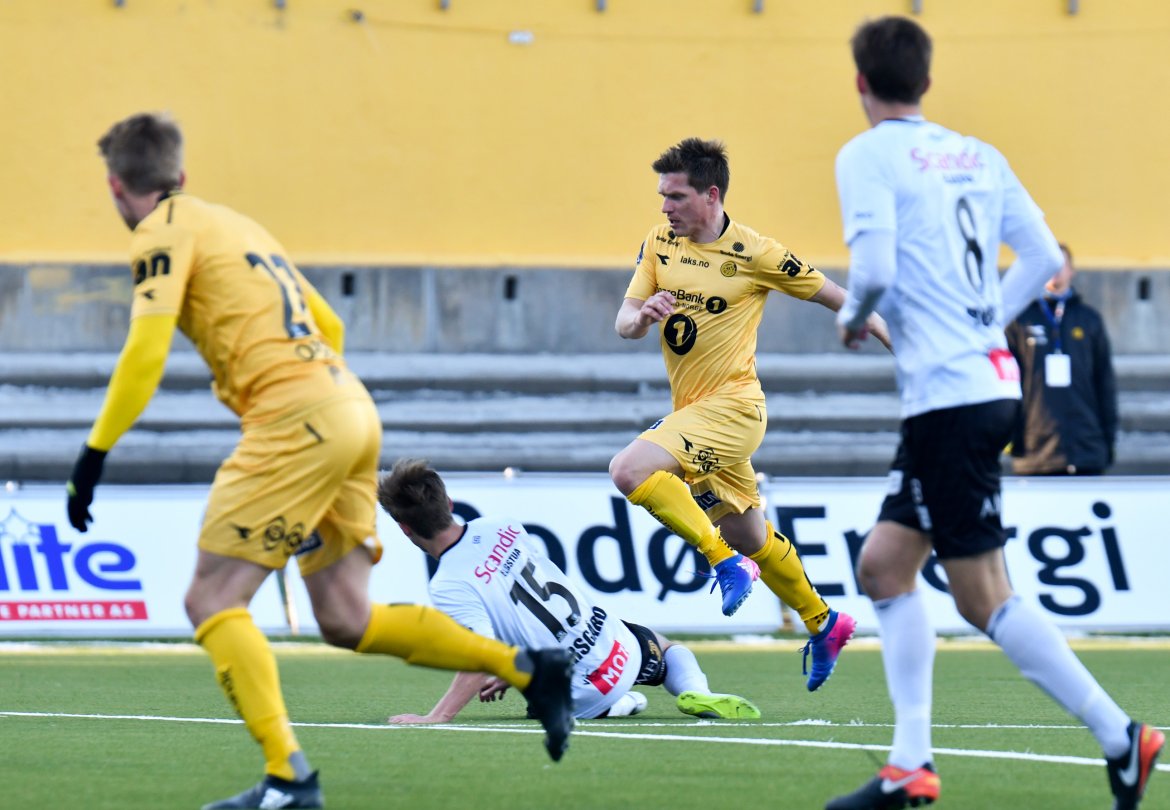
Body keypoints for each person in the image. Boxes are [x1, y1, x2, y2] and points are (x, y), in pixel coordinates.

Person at [64, 113, 574, 810]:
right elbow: (328, 323)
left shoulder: (159, 231)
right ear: (181, 176)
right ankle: (523, 667)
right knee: (345, 618)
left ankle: (288, 777)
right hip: (349, 408)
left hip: (294, 419)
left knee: (211, 600)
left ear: (116, 187)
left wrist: (93, 456)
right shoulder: (238, 226)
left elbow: (146, 349)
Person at [829, 17, 1162, 810]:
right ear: (928, 82)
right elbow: (1044, 258)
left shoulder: (866, 155)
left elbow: (871, 267)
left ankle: (1123, 737)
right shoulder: (979, 155)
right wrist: (987, 321)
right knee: (883, 567)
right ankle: (910, 763)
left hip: (953, 399)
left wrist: (855, 318)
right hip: (978, 386)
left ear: (859, 83)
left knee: (982, 597)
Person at [611, 136, 889, 691]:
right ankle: (823, 621)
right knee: (749, 533)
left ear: (711, 196)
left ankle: (721, 563)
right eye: (662, 196)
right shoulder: (659, 242)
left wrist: (898, 341)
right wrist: (644, 319)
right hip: (695, 415)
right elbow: (624, 320)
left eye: (676, 196)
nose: (665, 207)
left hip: (736, 409)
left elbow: (837, 295)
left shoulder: (756, 254)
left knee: (629, 470)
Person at [378, 458, 762, 725]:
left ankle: (620, 704)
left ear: (405, 529)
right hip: (619, 648)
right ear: (448, 503)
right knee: (670, 648)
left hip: (579, 689)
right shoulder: (501, 526)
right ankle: (694, 689)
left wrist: (438, 716)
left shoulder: (448, 584)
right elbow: (528, 611)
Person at [1006, 243, 1118, 475]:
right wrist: (1014, 441)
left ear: (1072, 271)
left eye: (1062, 264)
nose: (1056, 270)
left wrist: (1106, 441)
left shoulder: (1089, 319)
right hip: (1035, 453)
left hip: (1086, 450)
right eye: (1051, 264)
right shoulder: (1020, 319)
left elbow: (1105, 383)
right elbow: (1007, 384)